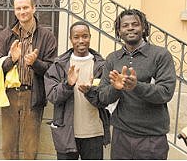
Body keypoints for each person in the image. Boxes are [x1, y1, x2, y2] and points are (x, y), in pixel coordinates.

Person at [98, 9, 176, 159]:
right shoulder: (113, 58)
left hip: (152, 138)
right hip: (121, 135)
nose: (130, 28)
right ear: (119, 31)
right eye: (125, 25)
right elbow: (102, 96)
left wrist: (136, 86)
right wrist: (116, 89)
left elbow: (166, 92)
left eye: (135, 24)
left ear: (144, 28)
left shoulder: (160, 55)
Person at [0, 0, 57, 159]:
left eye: (26, 7)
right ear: (14, 11)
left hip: (33, 95)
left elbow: (51, 69)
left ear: (33, 8)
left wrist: (35, 63)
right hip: (10, 95)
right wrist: (12, 60)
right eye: (18, 8)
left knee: (30, 146)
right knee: (8, 144)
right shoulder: (5, 35)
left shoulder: (47, 36)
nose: (22, 11)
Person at [44, 21, 110, 160]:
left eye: (85, 36)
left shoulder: (102, 65)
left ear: (90, 37)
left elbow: (106, 99)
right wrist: (67, 84)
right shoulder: (59, 65)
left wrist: (90, 92)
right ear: (70, 39)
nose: (81, 40)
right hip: (66, 132)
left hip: (94, 133)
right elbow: (52, 96)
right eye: (76, 37)